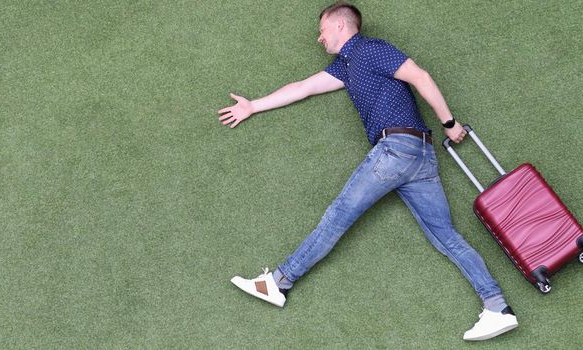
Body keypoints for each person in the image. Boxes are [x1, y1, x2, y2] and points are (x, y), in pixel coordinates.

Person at [219, 1, 518, 341]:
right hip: (420, 158)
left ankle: (278, 282)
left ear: (340, 27)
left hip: (397, 150)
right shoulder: (346, 67)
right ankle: (497, 306)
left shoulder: (370, 49)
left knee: (338, 215)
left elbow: (420, 76)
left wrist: (449, 122)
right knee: (445, 236)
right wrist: (254, 105)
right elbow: (303, 87)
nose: (319, 39)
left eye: (322, 30)